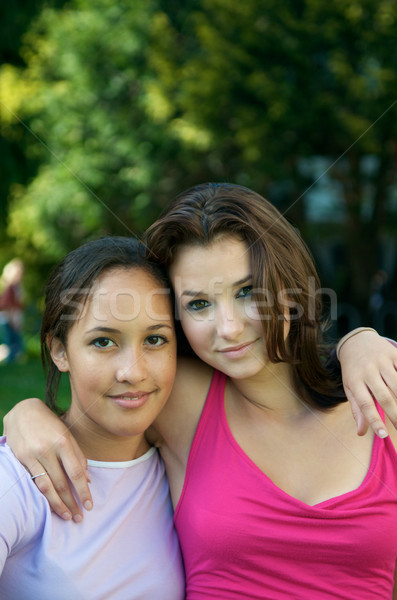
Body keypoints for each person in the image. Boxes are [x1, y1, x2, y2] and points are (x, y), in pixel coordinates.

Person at [4, 184, 397, 598]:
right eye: (198, 304)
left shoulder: (378, 393)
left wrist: (363, 340)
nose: (227, 328)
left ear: (289, 286)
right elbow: (98, 404)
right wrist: (27, 413)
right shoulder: (180, 400)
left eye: (247, 292)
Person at [0, 236, 184, 599]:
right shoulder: (16, 480)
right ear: (59, 351)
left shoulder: (184, 462)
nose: (132, 371)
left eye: (155, 340)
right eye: (103, 342)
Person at [0, 258, 24, 363]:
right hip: (8, 319)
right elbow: (6, 305)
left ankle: (13, 359)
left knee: (14, 341)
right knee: (12, 342)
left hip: (11, 318)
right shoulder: (10, 288)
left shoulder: (16, 287)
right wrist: (12, 320)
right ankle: (10, 360)